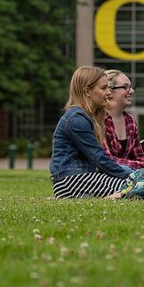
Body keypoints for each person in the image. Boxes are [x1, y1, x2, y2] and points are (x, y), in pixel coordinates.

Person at [49, 67, 133, 198]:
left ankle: (114, 195)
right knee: (134, 185)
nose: (108, 93)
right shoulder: (76, 118)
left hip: (82, 177)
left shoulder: (86, 116)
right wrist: (131, 176)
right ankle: (113, 196)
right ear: (87, 91)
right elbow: (99, 158)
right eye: (104, 88)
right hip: (71, 181)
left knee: (131, 177)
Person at [102, 69, 144, 170]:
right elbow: (107, 160)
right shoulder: (98, 120)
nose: (132, 91)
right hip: (107, 175)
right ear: (109, 91)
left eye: (131, 87)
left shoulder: (130, 121)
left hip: (128, 174)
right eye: (125, 87)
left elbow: (139, 157)